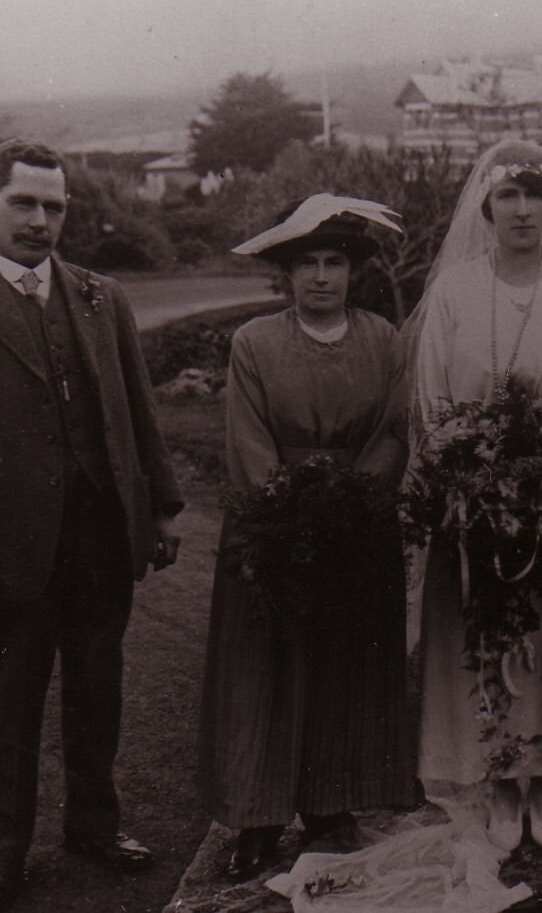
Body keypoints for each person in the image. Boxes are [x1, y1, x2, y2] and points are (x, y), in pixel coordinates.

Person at [0, 138, 183, 911]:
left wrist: (159, 504)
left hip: (99, 534)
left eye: (53, 207)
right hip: (8, 546)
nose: (39, 220)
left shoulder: (101, 296)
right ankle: (4, 849)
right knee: (12, 696)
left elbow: (135, 410)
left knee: (98, 684)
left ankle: (95, 824)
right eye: (23, 202)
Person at [408, 138, 542, 851]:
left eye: (536, 196)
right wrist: (466, 483)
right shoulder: (455, 290)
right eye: (509, 196)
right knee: (490, 635)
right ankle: (501, 780)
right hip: (476, 505)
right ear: (487, 207)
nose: (524, 210)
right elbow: (433, 399)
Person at [197, 195, 416, 879]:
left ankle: (329, 806)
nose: (321, 277)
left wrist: (352, 503)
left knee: (344, 663)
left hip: (356, 525)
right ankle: (258, 819)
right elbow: (249, 442)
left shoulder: (383, 338)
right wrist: (289, 516)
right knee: (265, 666)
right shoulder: (255, 343)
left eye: (335, 263)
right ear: (287, 276)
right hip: (274, 530)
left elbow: (393, 428)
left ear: (353, 272)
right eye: (307, 265)